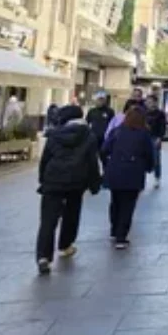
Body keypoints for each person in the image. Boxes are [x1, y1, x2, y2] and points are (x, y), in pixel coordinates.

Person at [36, 105, 101, 274]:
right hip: (76, 180)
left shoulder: (55, 134)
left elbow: (45, 159)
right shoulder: (88, 135)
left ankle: (43, 256)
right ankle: (65, 245)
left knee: (48, 220)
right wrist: (95, 184)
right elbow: (92, 162)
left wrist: (43, 178)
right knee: (71, 214)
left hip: (53, 180)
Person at [101, 105, 156, 248]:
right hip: (133, 173)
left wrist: (108, 164)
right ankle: (121, 236)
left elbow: (104, 149)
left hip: (115, 171)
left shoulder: (116, 131)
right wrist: (149, 167)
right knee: (128, 205)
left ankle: (114, 230)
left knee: (115, 202)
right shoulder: (144, 134)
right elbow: (149, 154)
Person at [145, 97, 168, 188]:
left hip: (155, 137)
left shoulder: (160, 114)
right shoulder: (144, 112)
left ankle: (157, 178)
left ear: (155, 102)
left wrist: (160, 138)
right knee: (143, 158)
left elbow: (163, 127)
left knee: (156, 159)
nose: (148, 103)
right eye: (147, 102)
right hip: (145, 137)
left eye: (150, 102)